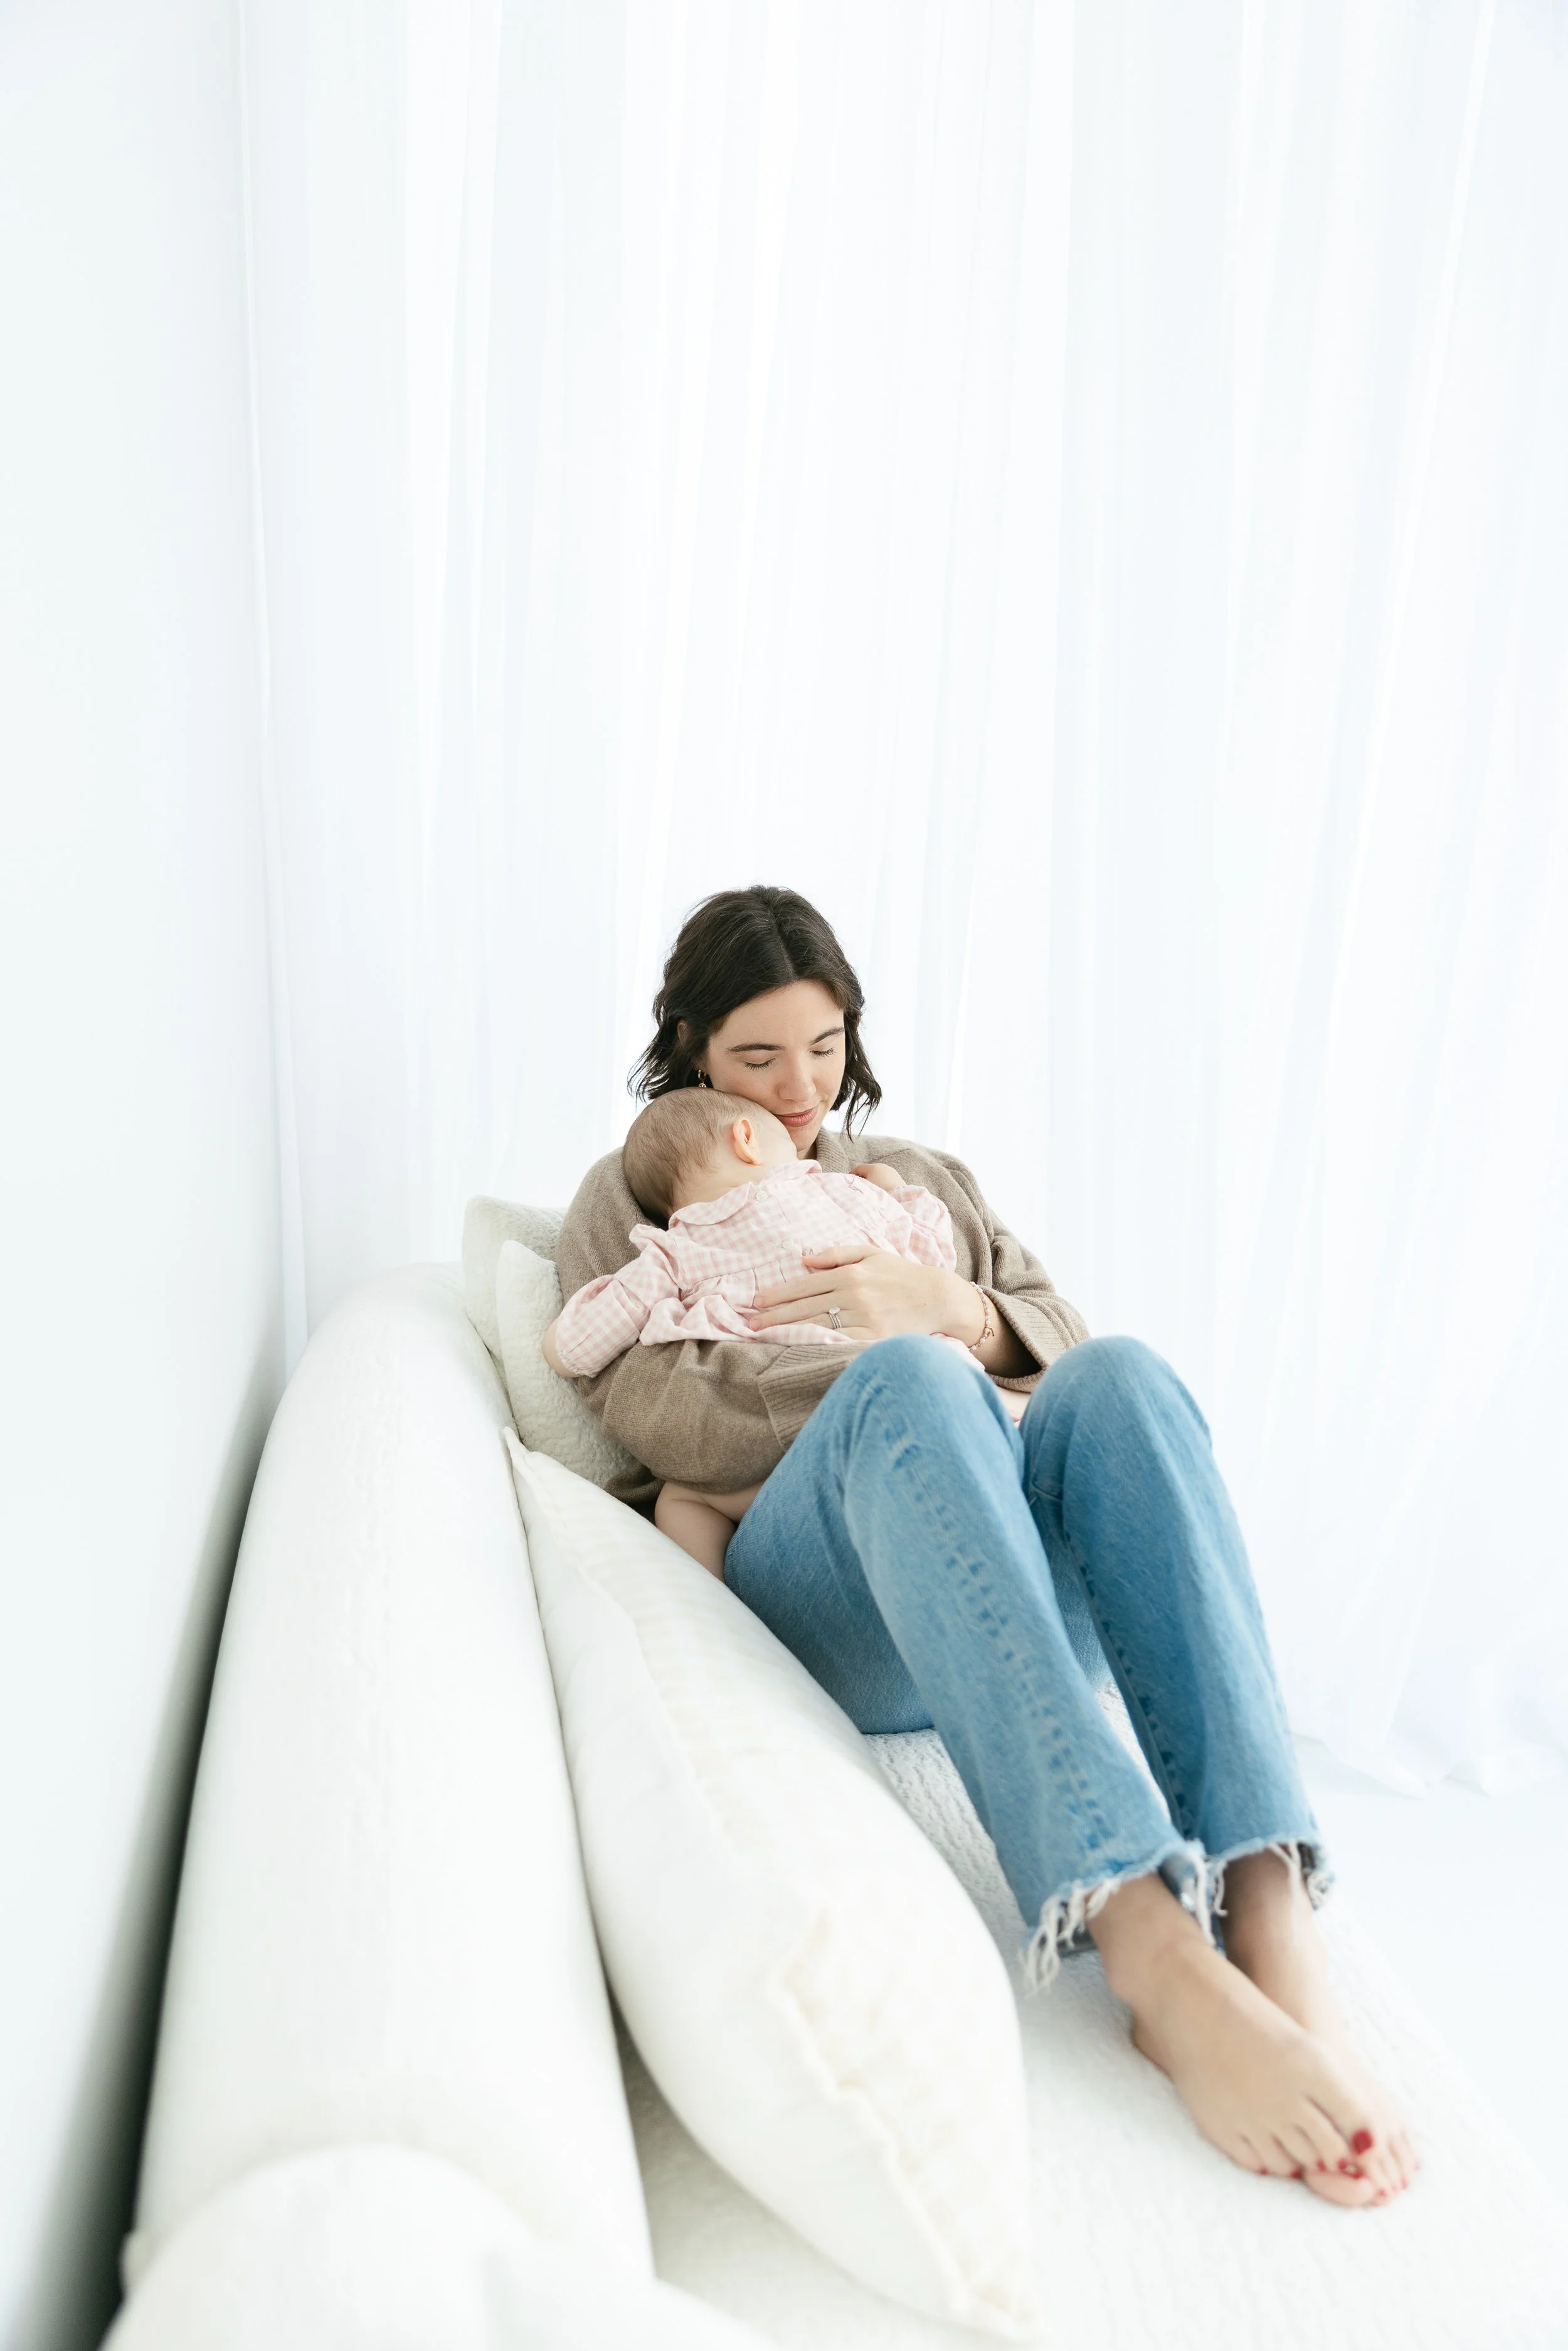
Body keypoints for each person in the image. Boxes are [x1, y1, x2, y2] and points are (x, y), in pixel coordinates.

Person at [555, 884, 1419, 2209]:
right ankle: (1141, 1943)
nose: (796, 1092)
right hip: (832, 1587)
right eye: (755, 1057)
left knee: (1120, 1375)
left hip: (1000, 1572)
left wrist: (960, 1309)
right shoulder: (638, 1193)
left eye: (824, 1047)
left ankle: (1263, 1898)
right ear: (686, 1048)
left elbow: (1058, 1332)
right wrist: (902, 1363)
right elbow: (658, 1402)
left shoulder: (919, 1183)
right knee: (908, 1386)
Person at [543, 1085, 995, 1576]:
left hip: (788, 1457)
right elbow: (934, 1255)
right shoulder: (846, 1193)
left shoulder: (676, 1251)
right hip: (936, 1397)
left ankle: (719, 1614)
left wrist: (556, 1343)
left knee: (683, 1498)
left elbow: (579, 1347)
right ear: (747, 1138)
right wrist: (895, 1190)